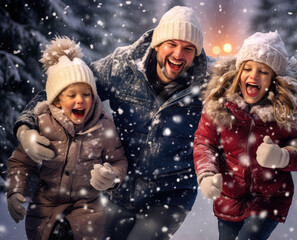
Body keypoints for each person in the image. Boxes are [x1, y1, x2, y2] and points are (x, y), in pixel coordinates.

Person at [12, 6, 213, 240]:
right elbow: (64, 85)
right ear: (157, 44)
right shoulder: (122, 66)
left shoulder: (211, 84)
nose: (178, 54)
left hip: (171, 193)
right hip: (118, 187)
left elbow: (250, 108)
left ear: (196, 53)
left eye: (188, 49)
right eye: (172, 44)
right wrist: (27, 127)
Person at [193, 31, 297, 240]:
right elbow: (204, 142)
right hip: (229, 198)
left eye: (263, 71)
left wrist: (284, 157)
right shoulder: (219, 104)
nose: (253, 76)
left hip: (269, 200)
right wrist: (206, 174)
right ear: (238, 72)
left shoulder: (288, 112)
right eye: (247, 68)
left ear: (274, 79)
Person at [7, 36, 128, 240]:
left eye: (86, 94)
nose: (80, 100)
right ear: (57, 100)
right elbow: (21, 161)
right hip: (45, 211)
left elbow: (118, 160)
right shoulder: (43, 124)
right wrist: (15, 190)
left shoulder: (103, 126)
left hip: (87, 212)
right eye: (71, 95)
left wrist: (112, 175)